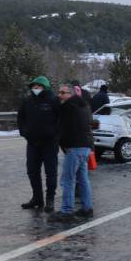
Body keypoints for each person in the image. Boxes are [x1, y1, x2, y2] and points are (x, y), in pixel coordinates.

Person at [49, 83, 94, 222]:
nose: (59, 95)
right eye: (59, 92)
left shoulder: (68, 107)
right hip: (86, 147)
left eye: (63, 93)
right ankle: (87, 208)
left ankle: (67, 211)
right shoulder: (84, 105)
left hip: (74, 148)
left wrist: (62, 144)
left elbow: (63, 129)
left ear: (71, 94)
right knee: (83, 179)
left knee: (67, 180)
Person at [17, 76, 61, 213]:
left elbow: (61, 120)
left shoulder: (54, 100)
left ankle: (50, 200)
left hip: (49, 144)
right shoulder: (27, 100)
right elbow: (21, 117)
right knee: (32, 172)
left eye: (39, 86)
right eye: (34, 87)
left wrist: (55, 135)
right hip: (32, 143)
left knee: (50, 173)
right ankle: (37, 198)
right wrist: (24, 132)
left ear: (45, 87)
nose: (36, 89)